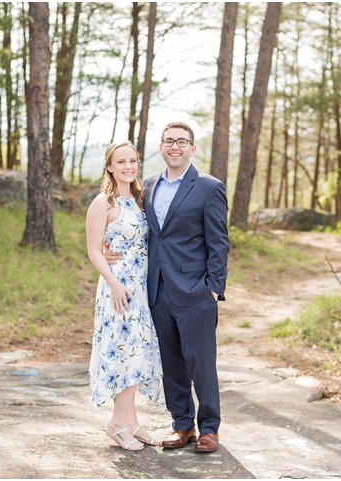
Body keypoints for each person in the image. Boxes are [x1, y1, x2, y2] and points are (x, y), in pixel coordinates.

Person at [106, 122, 229, 453]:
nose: (175, 146)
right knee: (171, 363)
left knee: (201, 363)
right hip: (156, 291)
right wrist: (108, 248)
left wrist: (213, 288)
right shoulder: (146, 186)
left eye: (182, 141)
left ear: (192, 148)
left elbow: (219, 242)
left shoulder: (208, 187)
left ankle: (209, 429)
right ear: (161, 148)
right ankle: (182, 424)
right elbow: (132, 227)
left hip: (195, 292)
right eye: (169, 141)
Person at [86, 141, 164, 451]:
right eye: (121, 162)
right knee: (123, 351)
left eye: (132, 161)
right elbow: (94, 250)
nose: (128, 166)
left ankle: (131, 422)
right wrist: (114, 283)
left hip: (141, 286)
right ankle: (117, 423)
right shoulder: (104, 202)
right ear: (110, 166)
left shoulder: (141, 199)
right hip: (118, 288)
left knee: (138, 350)